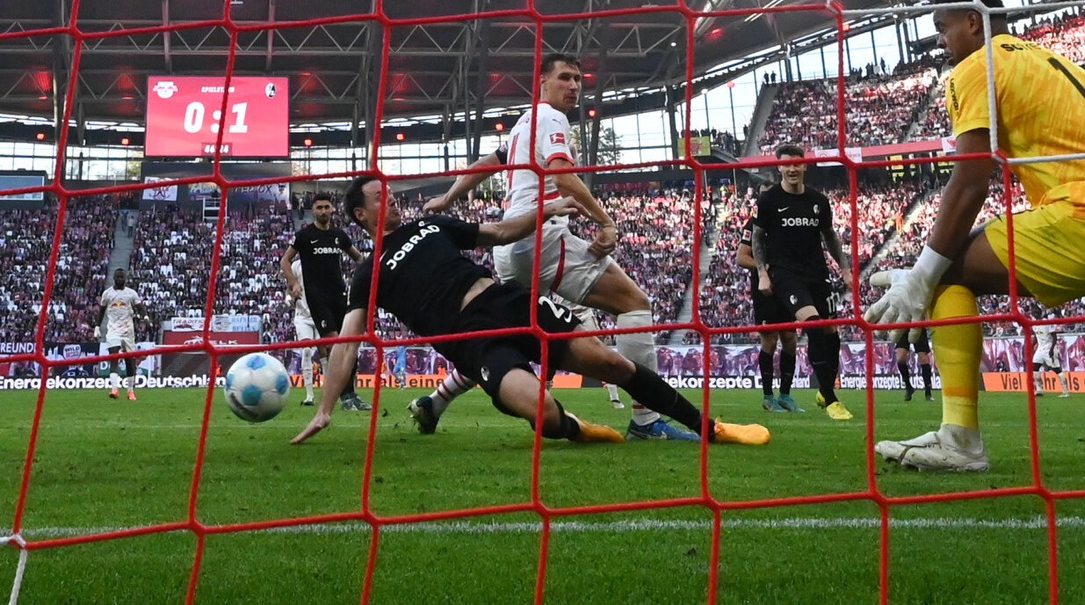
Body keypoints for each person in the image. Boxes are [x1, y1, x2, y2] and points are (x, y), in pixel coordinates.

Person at [866, 0, 1085, 472]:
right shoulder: (1060, 63)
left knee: (946, 269)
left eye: (942, 28)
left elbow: (972, 180)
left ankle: (959, 439)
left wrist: (921, 276)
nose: (940, 41)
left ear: (973, 22)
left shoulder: (977, 66)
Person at [291, 177, 769, 447]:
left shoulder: (433, 224)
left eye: (389, 191)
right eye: (380, 197)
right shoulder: (368, 271)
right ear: (361, 214)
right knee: (540, 412)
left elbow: (499, 234)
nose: (390, 197)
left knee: (611, 363)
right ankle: (576, 429)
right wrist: (327, 409)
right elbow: (349, 339)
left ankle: (710, 429)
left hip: (507, 303)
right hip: (471, 341)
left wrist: (548, 210)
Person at [416, 53, 694, 440]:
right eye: (564, 77)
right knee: (635, 304)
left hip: (511, 244)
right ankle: (646, 421)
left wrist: (449, 197)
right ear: (541, 82)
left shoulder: (522, 126)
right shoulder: (551, 118)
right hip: (541, 239)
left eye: (578, 79)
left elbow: (488, 162)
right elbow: (562, 175)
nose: (574, 86)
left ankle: (436, 401)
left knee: (510, 333)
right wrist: (606, 221)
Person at [751, 144, 855, 420]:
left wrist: (844, 269)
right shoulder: (770, 200)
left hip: (817, 274)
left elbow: (830, 236)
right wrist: (763, 272)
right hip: (786, 275)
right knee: (813, 326)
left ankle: (824, 390)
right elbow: (757, 237)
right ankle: (831, 399)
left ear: (805, 166)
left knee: (832, 334)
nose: (792, 169)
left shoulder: (818, 201)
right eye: (787, 164)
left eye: (797, 164)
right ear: (779, 167)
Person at [280, 192, 368, 411]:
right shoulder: (304, 236)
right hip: (317, 299)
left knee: (350, 343)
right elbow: (285, 260)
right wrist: (294, 283)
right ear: (313, 211)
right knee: (336, 343)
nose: (323, 211)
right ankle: (345, 396)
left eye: (326, 207)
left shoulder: (339, 236)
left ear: (332, 209)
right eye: (319, 208)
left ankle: (351, 394)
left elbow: (358, 258)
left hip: (339, 295)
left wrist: (364, 276)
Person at [735, 218, 803, 412]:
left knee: (790, 339)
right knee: (770, 340)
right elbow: (741, 257)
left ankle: (785, 396)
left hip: (786, 286)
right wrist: (765, 268)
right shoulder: (754, 223)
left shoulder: (786, 221)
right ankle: (767, 396)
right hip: (765, 290)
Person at [95, 268, 144, 401]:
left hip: (128, 330)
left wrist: (145, 318)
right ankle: (114, 389)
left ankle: (130, 391)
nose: (120, 280)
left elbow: (140, 307)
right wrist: (97, 326)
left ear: (125, 279)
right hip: (113, 330)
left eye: (122, 278)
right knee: (114, 357)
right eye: (118, 277)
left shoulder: (131, 293)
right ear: (114, 278)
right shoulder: (107, 294)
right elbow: (102, 310)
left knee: (129, 361)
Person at [288, 260, 318, 406]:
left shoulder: (321, 261)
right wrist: (289, 296)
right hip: (302, 316)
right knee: (306, 351)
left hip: (320, 314)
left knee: (326, 352)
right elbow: (290, 284)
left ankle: (328, 394)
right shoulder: (296, 265)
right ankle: (309, 395)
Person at [895, 328, 934, 401]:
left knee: (923, 358)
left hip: (917, 326)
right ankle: (908, 387)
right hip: (904, 326)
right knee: (900, 358)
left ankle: (928, 392)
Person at [1032, 321, 1069, 397]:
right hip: (1040, 349)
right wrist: (1032, 345)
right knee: (1035, 367)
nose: (1034, 313)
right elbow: (1036, 336)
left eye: (1035, 311)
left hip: (1049, 349)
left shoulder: (1046, 323)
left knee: (1056, 369)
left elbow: (1054, 337)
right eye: (1033, 311)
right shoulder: (1034, 324)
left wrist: (1052, 349)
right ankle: (1039, 389)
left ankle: (1066, 391)